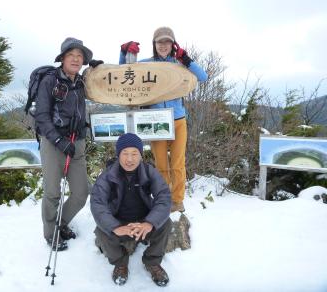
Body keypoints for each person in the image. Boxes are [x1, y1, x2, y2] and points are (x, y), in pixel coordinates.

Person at [119, 27, 208, 213]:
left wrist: (187, 60)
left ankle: (177, 200)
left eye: (167, 42)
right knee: (161, 164)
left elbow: (203, 77)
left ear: (173, 44)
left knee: (177, 163)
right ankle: (162, 198)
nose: (163, 45)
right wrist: (124, 52)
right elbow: (124, 73)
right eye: (160, 42)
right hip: (155, 120)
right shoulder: (148, 64)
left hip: (178, 120)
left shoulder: (179, 64)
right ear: (154, 44)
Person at [35, 37, 102, 251]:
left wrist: (97, 71)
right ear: (62, 58)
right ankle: (50, 233)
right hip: (53, 143)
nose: (75, 59)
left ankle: (61, 223)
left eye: (79, 56)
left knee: (81, 193)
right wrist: (57, 140)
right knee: (53, 192)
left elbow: (105, 85)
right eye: (71, 55)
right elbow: (42, 116)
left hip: (77, 142)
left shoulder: (82, 81)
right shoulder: (49, 81)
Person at [90, 133, 172, 287]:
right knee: (102, 230)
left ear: (140, 155)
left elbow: (164, 197)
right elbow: (97, 203)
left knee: (165, 224)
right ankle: (120, 263)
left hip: (144, 222)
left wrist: (149, 223)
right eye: (125, 153)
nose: (129, 159)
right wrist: (115, 227)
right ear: (118, 154)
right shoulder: (108, 175)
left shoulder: (149, 171)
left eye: (134, 154)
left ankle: (152, 262)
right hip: (119, 222)